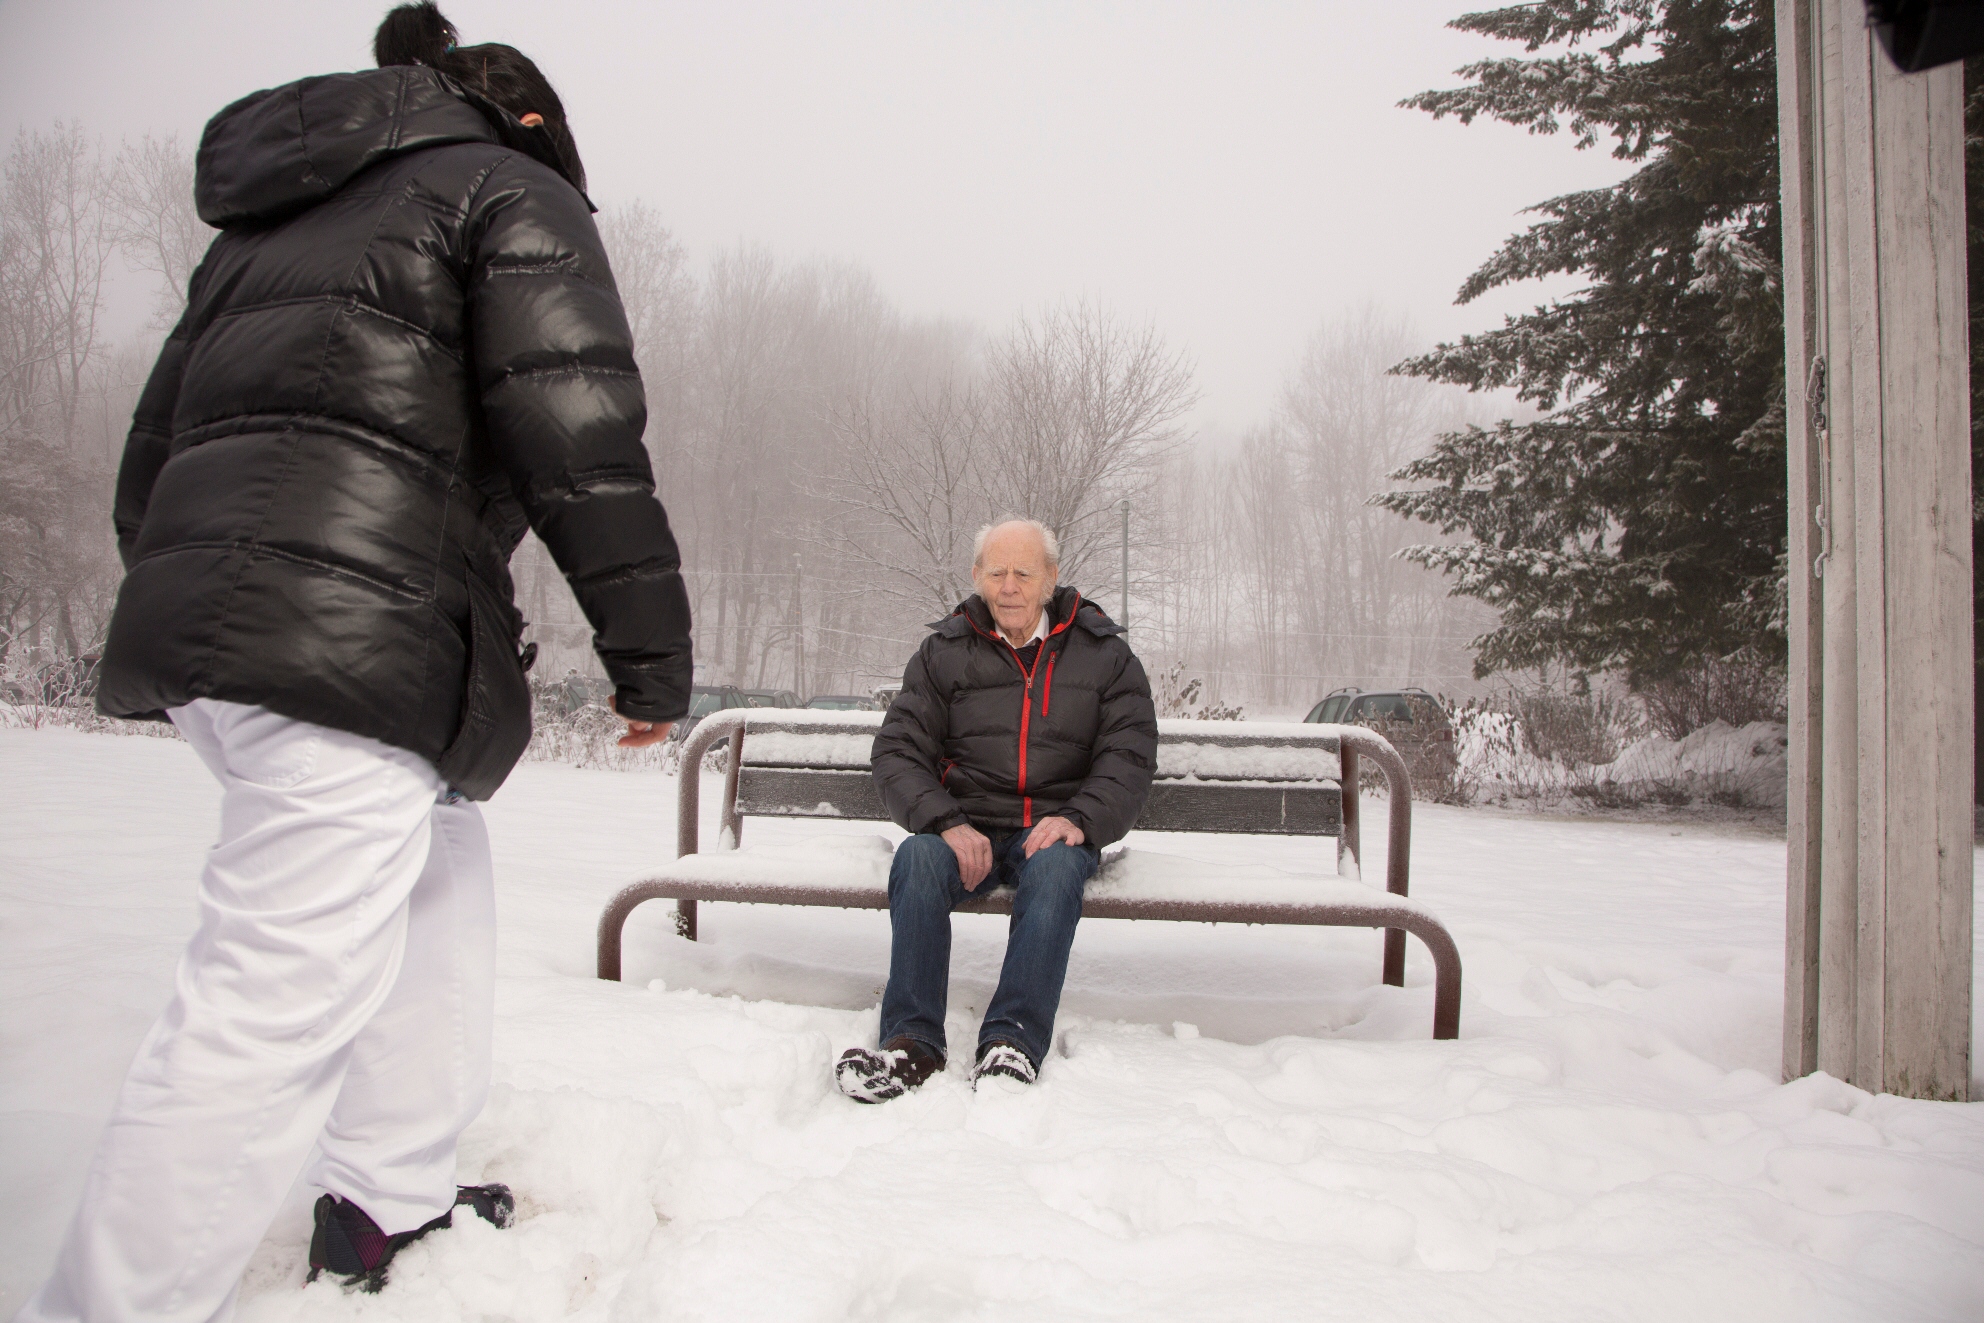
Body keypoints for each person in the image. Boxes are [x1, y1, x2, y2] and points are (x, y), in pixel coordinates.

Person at [15, 5, 692, 1317]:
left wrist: (217, 591)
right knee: (262, 1010)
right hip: (345, 642)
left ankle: (387, 1197)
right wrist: (651, 665)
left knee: (437, 882)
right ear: (537, 125)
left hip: (246, 636)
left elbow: (148, 463)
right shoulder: (511, 192)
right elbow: (580, 435)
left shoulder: (270, 226)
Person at [838, 519, 1157, 1101]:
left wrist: (1079, 820)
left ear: (1051, 578)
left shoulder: (1105, 656)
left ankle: (1011, 1042)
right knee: (917, 858)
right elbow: (898, 751)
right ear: (977, 576)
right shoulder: (944, 652)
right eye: (996, 572)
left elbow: (1128, 758)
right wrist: (946, 822)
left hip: (1053, 833)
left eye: (1023, 573)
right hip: (968, 831)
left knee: (1059, 868)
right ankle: (912, 1045)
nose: (1009, 586)